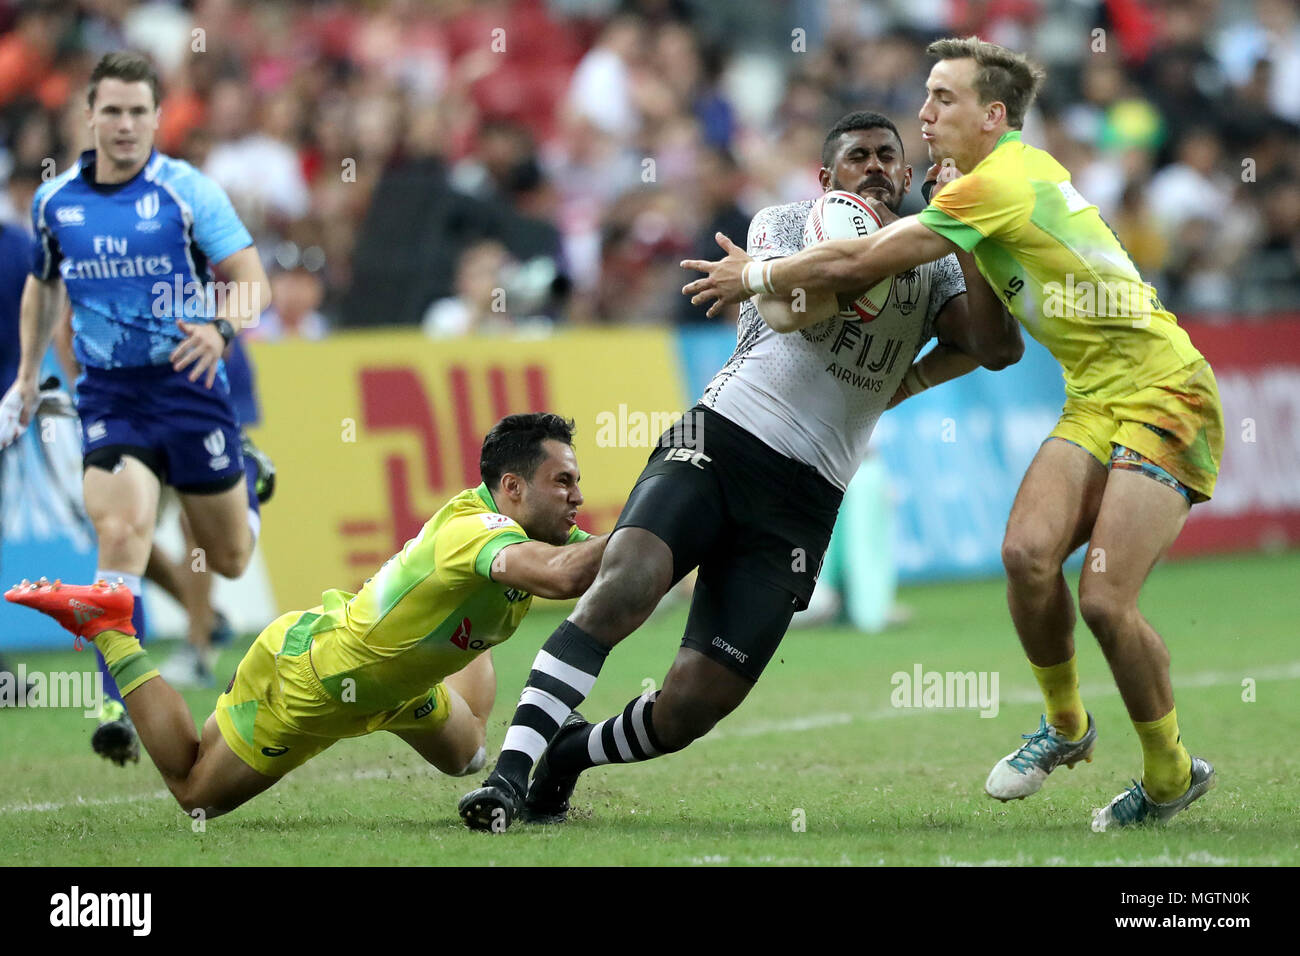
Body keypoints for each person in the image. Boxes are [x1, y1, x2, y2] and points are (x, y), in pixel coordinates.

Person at [681, 38, 1224, 831]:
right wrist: (915, 367)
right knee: (1026, 557)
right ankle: (1068, 727)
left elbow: (861, 259)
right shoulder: (982, 194)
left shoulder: (1003, 179)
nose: (925, 113)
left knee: (1105, 601)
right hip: (1096, 399)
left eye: (943, 98)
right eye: (927, 95)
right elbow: (997, 347)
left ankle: (1171, 771)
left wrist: (756, 277)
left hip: (1167, 390)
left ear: (992, 115)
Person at [459, 110, 1022, 831]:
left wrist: (966, 227)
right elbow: (792, 307)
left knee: (695, 703)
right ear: (826, 176)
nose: (876, 166)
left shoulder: (938, 256)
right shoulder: (782, 225)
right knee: (625, 585)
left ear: (910, 177)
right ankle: (507, 778)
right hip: (722, 438)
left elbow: (996, 345)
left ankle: (569, 755)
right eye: (858, 156)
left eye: (889, 156)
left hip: (807, 494)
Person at [7, 413, 608, 818]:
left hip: (391, 686)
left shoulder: (517, 525)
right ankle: (112, 629)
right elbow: (566, 575)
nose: (578, 496)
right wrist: (665, 512)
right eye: (564, 482)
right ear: (512, 486)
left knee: (468, 755)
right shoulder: (477, 533)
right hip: (316, 684)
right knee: (195, 794)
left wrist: (671, 529)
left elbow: (601, 553)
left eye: (577, 482)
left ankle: (424, 665)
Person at [0, 52, 273, 766]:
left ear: (157, 117)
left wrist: (218, 328)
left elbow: (251, 281)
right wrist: (28, 379)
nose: (124, 125)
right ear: (88, 116)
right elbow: (43, 289)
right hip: (112, 396)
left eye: (138, 112)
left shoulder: (187, 192)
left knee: (233, 558)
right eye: (112, 111)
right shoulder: (55, 202)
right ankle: (118, 705)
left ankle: (248, 482)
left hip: (189, 386)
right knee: (119, 534)